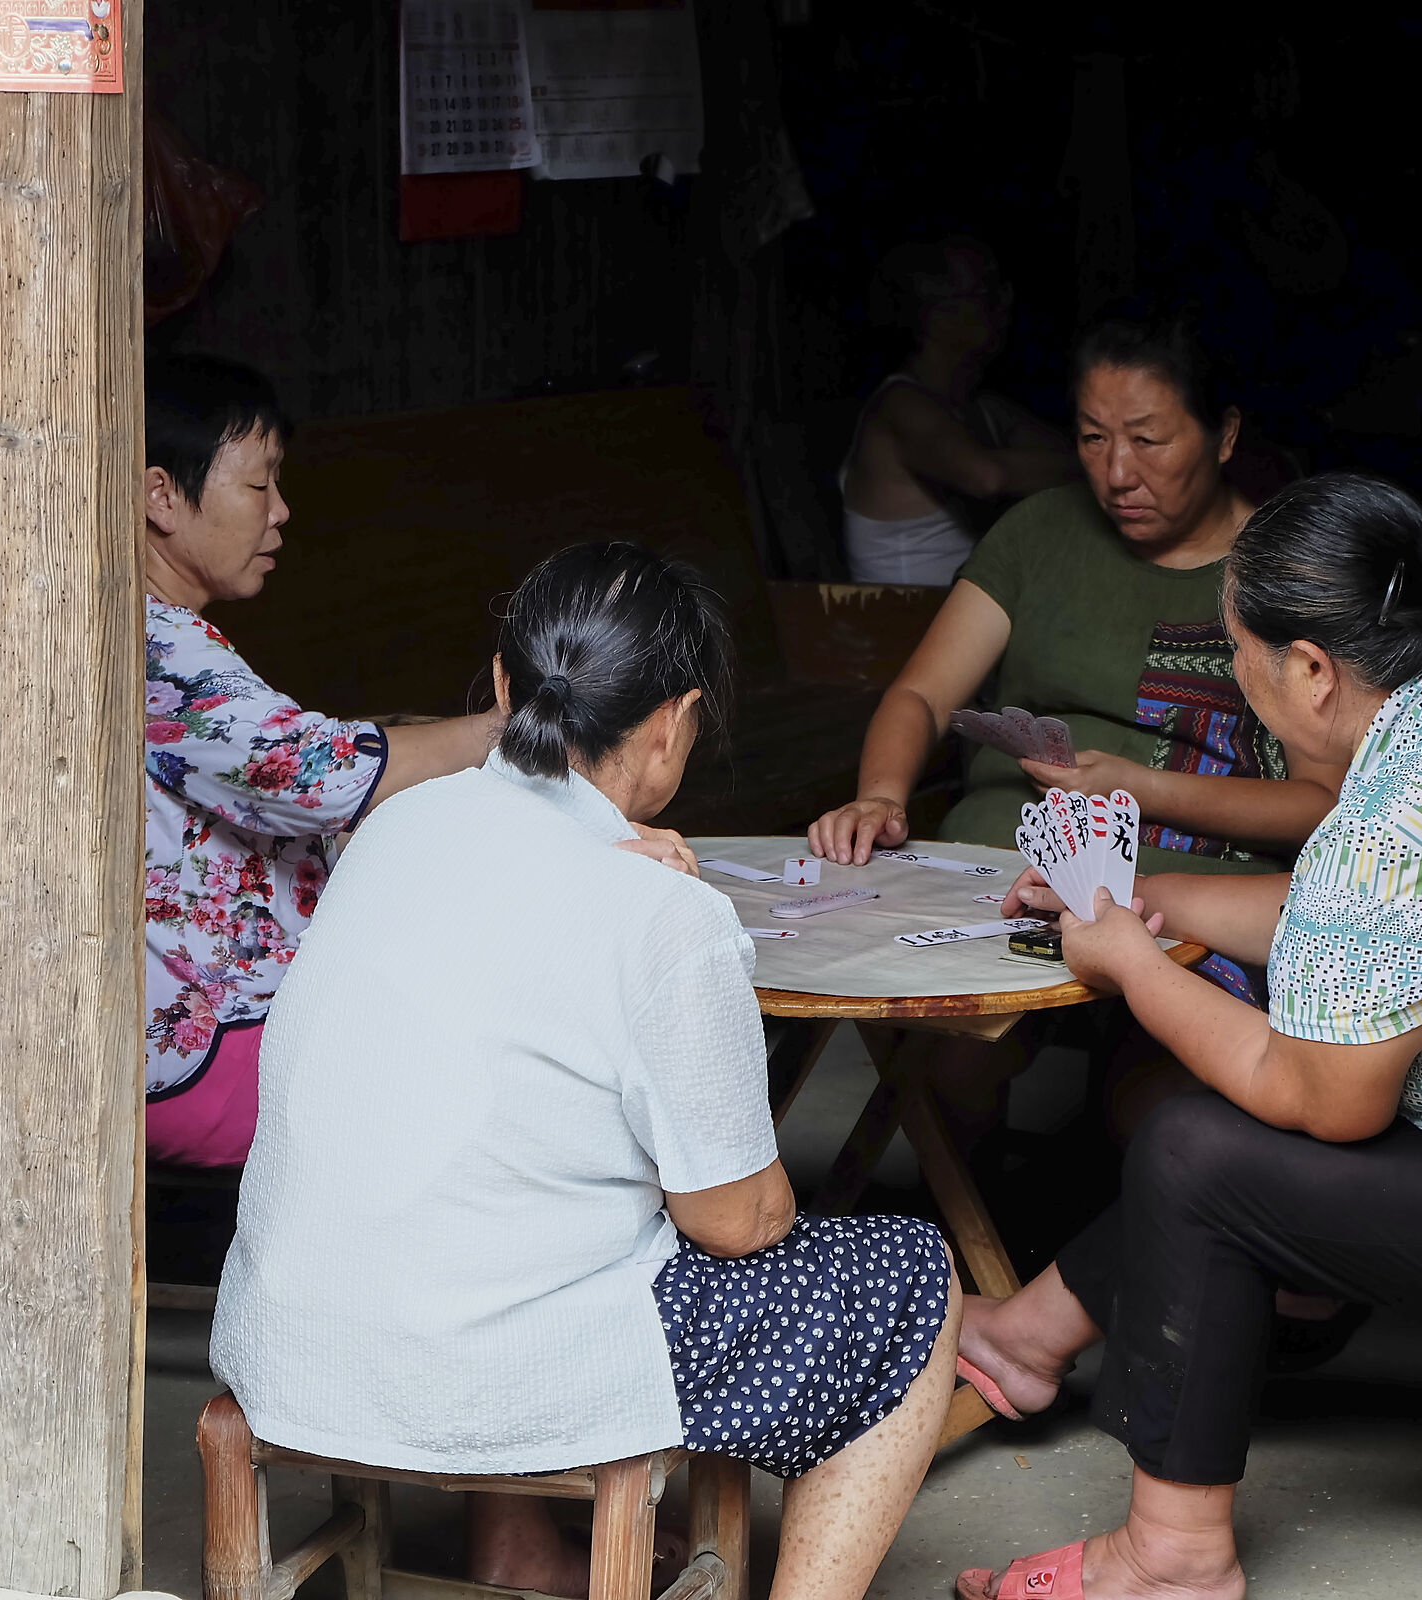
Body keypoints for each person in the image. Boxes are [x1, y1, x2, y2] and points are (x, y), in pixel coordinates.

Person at [210, 542, 962, 1600]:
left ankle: (515, 1547)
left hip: (289, 1337)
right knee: (910, 1279)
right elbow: (734, 1221)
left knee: (514, 1183)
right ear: (672, 720)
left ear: (509, 686)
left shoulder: (390, 828)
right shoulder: (664, 913)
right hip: (486, 1368)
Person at [950, 474, 1422, 1600]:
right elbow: (1336, 923)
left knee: (1197, 1156)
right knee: (1204, 1142)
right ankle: (1030, 1335)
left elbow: (1320, 1097)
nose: (1240, 687)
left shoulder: (1384, 829)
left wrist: (1133, 967)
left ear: (1310, 669)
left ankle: (1171, 1558)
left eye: (1242, 655)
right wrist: (1139, 902)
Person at [811, 309, 1348, 999]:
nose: (1118, 472)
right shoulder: (1038, 533)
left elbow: (1319, 804)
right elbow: (921, 694)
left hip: (1184, 895)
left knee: (1133, 1075)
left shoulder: (1281, 571)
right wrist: (879, 797)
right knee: (914, 1016)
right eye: (1093, 438)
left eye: (1148, 440)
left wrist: (1136, 787)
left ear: (1226, 436)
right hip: (993, 871)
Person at [139, 353, 503, 1169]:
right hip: (221, 1051)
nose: (282, 512)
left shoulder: (154, 629)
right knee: (514, 1051)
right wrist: (505, 731)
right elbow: (315, 777)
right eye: (259, 485)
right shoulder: (154, 643)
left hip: (229, 1031)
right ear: (161, 495)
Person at [838, 237, 1075, 585]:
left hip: (963, 620)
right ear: (935, 315)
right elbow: (986, 476)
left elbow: (1071, 455)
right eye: (987, 293)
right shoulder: (899, 404)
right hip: (903, 627)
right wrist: (1111, 463)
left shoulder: (984, 409)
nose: (1005, 304)